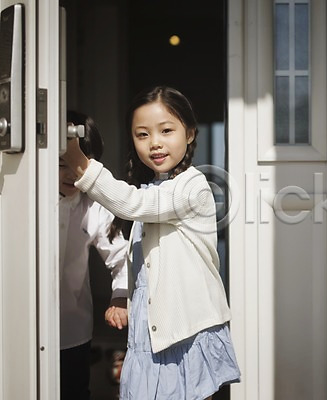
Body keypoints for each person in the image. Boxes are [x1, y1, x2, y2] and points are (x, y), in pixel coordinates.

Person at [63, 86, 240, 400]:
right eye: (142, 134)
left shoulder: (192, 186)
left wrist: (80, 163)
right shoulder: (156, 187)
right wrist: (125, 296)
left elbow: (134, 203)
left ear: (189, 134)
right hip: (154, 330)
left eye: (166, 130)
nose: (155, 142)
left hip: (185, 330)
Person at [59, 110, 128, 400]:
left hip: (72, 326)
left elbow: (121, 255)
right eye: (62, 164)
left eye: (79, 166)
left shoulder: (93, 205)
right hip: (19, 323)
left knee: (74, 390)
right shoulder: (24, 198)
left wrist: (120, 296)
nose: (71, 175)